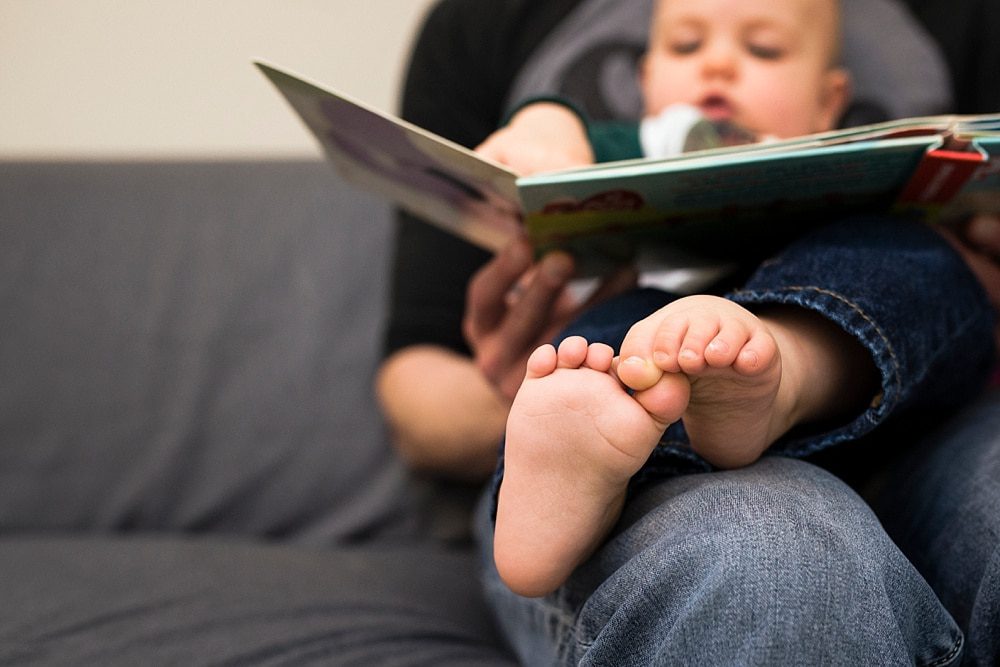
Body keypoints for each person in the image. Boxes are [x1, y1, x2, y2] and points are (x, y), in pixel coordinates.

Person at [377, 0, 1000, 662]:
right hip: (666, 351)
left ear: (831, 100)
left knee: (909, 259)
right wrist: (548, 128)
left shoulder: (863, 151)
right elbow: (564, 128)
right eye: (684, 47)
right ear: (644, 78)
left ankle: (783, 364)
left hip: (877, 382)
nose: (718, 65)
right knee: (613, 343)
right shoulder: (660, 138)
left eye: (763, 51)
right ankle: (578, 457)